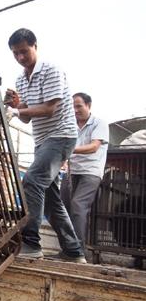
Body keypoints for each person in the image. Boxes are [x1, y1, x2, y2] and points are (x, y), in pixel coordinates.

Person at [4, 28, 85, 263]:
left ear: (35, 46)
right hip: (42, 140)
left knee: (31, 181)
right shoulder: (21, 78)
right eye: (15, 54)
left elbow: (50, 108)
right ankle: (73, 251)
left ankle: (31, 243)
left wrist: (17, 110)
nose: (20, 57)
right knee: (51, 200)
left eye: (24, 51)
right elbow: (28, 117)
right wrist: (18, 106)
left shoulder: (52, 70)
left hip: (61, 136)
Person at [61, 92, 109, 248]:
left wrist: (70, 149)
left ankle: (77, 250)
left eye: (79, 106)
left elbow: (94, 147)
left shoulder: (99, 123)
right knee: (63, 207)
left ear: (89, 105)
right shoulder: (70, 124)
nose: (75, 110)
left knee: (78, 205)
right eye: (72, 107)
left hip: (91, 172)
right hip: (72, 171)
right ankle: (67, 248)